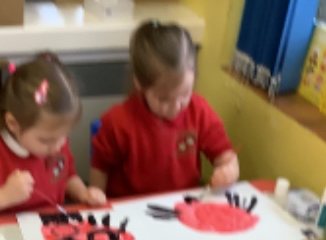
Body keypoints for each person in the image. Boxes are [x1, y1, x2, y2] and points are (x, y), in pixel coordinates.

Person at [0, 52, 106, 218]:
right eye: (45, 141)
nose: (57, 147)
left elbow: (66, 175)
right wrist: (5, 196)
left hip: (46, 227)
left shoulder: (55, 139)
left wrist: (83, 192)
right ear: (13, 123)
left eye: (64, 136)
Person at [90, 20, 239, 199]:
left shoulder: (199, 111)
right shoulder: (118, 121)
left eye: (185, 94)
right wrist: (97, 195)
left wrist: (229, 171)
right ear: (140, 84)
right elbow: (100, 168)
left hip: (182, 203)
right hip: (132, 205)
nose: (176, 106)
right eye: (163, 99)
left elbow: (226, 157)